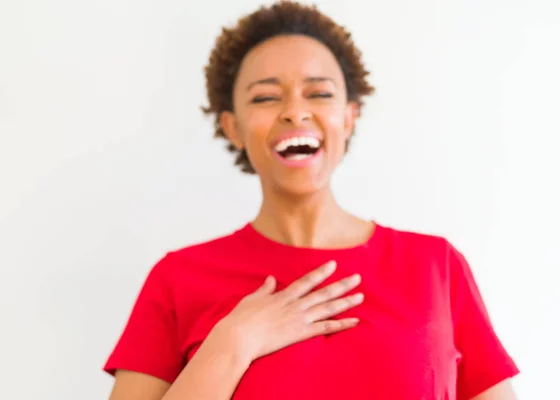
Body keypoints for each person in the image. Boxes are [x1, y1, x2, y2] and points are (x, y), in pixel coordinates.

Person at [103, 2, 520, 399]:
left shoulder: (436, 268)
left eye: (318, 94)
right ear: (233, 127)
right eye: (265, 97)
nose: (294, 112)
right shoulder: (176, 280)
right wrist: (233, 344)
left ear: (348, 117)